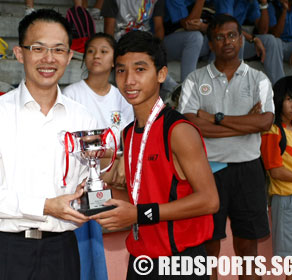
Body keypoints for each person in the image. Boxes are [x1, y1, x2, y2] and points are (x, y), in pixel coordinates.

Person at [0, 9, 98, 280]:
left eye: (58, 50)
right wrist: (46, 206)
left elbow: (89, 181)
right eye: (38, 48)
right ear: (19, 53)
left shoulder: (83, 118)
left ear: (70, 56)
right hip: (5, 250)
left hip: (62, 251)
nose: (48, 59)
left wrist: (95, 188)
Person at [91, 30, 219, 279]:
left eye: (140, 69)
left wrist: (139, 214)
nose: (129, 80)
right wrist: (93, 197)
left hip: (181, 261)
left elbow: (209, 200)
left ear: (161, 74)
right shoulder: (128, 133)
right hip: (141, 259)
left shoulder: (178, 130)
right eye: (121, 70)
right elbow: (138, 195)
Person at [178, 14, 274, 280]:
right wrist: (246, 123)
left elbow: (265, 122)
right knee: (209, 246)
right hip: (208, 170)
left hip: (249, 169)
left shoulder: (259, 80)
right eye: (219, 37)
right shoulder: (194, 80)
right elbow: (190, 125)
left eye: (232, 35)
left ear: (242, 39)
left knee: (248, 247)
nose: (227, 41)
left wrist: (215, 118)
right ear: (210, 44)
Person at [63, 33, 133, 280]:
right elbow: (71, 144)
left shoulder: (121, 95)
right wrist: (112, 156)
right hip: (82, 177)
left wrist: (122, 158)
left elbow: (130, 135)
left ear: (114, 60)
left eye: (104, 51)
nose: (96, 56)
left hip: (112, 175)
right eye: (91, 51)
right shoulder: (72, 93)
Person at [261, 75, 292, 280]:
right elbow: (274, 170)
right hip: (287, 201)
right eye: (290, 99)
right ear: (278, 100)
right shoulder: (272, 131)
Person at [213, 0, 283, 84]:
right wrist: (253, 39)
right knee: (239, 38)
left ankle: (280, 88)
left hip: (237, 43)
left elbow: (263, 30)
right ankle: (235, 85)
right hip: (218, 43)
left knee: (270, 40)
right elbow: (228, 26)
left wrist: (263, 4)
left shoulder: (251, 2)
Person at [157, 0, 211, 82]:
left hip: (197, 46)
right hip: (169, 43)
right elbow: (189, 25)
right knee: (195, 37)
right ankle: (188, 88)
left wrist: (204, 27)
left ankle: (217, 85)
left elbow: (224, 26)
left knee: (220, 36)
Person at [268, 0, 292, 74]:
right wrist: (284, 11)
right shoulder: (272, 6)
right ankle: (280, 83)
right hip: (279, 45)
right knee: (275, 42)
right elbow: (276, 34)